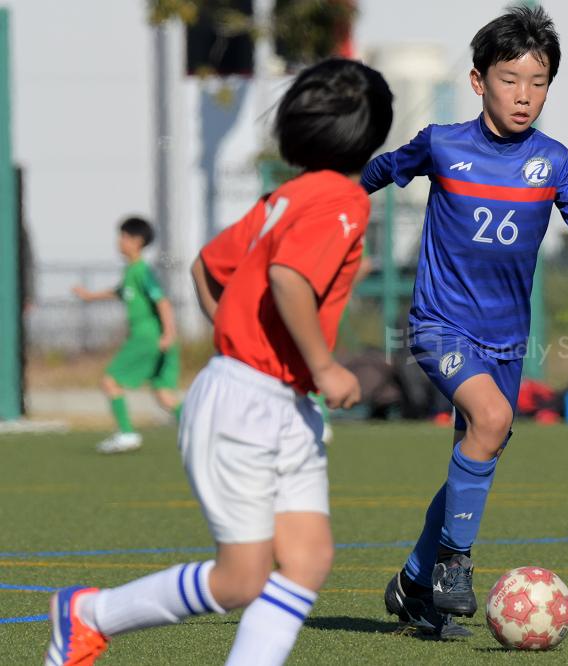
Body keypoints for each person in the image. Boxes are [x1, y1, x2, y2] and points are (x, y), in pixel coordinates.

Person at [45, 57, 392, 665]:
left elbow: (208, 265)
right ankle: (88, 615)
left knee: (308, 559)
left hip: (276, 401)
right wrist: (322, 366)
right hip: (248, 403)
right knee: (240, 579)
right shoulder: (344, 199)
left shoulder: (285, 197)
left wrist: (239, 337)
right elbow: (288, 279)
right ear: (375, 133)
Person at [362, 6, 568, 638]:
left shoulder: (556, 162)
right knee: (491, 421)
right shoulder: (442, 144)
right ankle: (453, 565)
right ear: (478, 81)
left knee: (480, 447)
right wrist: (331, 202)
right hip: (439, 324)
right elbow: (380, 171)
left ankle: (414, 584)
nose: (524, 95)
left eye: (538, 82)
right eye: (510, 79)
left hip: (506, 341)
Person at [71, 216, 181, 454]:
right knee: (164, 395)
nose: (119, 241)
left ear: (137, 241)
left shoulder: (142, 271)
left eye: (124, 236)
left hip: (147, 338)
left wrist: (168, 333)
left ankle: (127, 434)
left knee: (110, 381)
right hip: (154, 339)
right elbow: (119, 292)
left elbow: (162, 301)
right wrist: (90, 296)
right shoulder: (131, 271)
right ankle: (203, 430)